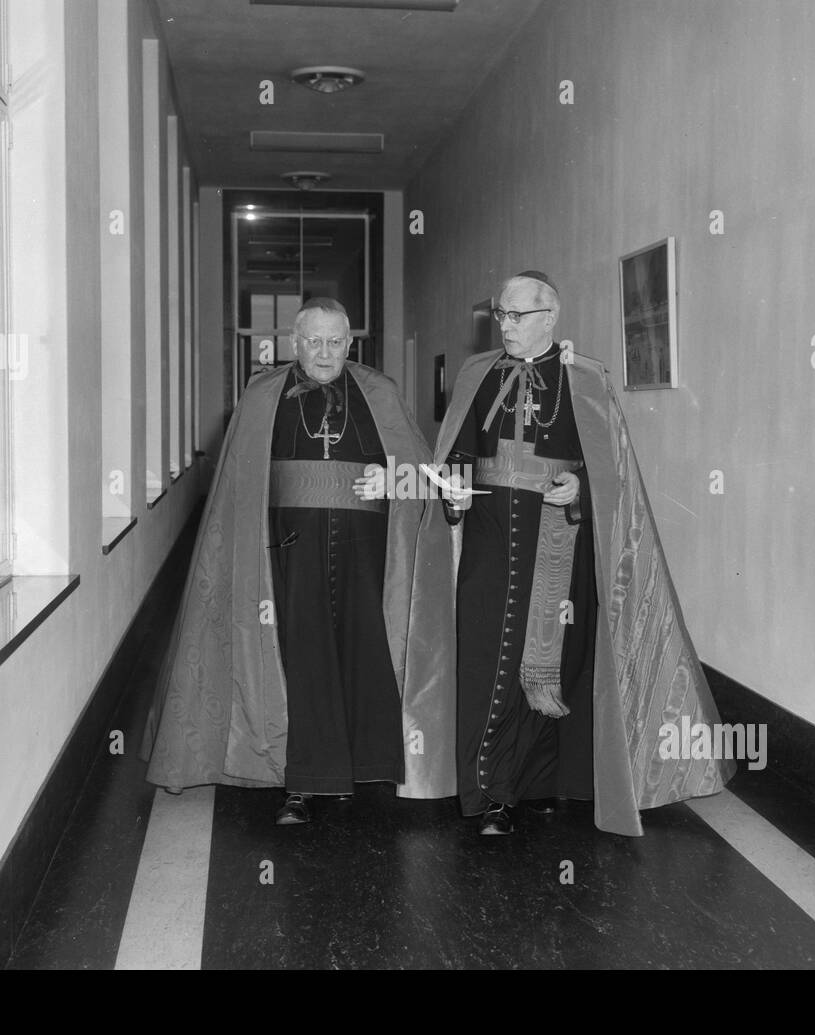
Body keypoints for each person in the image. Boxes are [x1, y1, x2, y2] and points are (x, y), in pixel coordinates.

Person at [409, 271, 734, 836]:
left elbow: (611, 469)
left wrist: (581, 485)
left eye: (518, 316)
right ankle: (494, 794)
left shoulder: (585, 381)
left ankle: (541, 783)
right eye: (501, 316)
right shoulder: (476, 375)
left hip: (560, 542)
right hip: (489, 544)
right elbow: (457, 451)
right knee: (489, 665)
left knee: (556, 665)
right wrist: (453, 488)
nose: (506, 326)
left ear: (549, 318)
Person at [141, 297, 454, 824]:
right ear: (295, 342)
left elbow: (429, 477)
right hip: (288, 552)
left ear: (350, 343)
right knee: (301, 661)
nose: (325, 352)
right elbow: (238, 491)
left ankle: (366, 764)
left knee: (362, 652)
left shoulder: (380, 392)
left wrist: (393, 479)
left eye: (336, 341)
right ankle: (303, 783)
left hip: (367, 554)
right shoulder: (264, 395)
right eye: (314, 341)